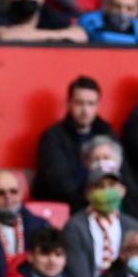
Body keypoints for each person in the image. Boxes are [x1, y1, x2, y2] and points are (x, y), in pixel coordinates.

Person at [33, 76, 114, 212]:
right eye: (79, 103)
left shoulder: (107, 133)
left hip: (106, 203)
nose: (85, 110)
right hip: (69, 207)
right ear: (69, 103)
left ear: (98, 106)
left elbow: (124, 177)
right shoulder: (53, 137)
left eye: (91, 104)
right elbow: (60, 185)